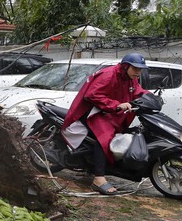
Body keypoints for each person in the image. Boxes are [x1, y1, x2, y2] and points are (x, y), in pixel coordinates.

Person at [61, 53, 150, 195]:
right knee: (105, 138)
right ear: (126, 66)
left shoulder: (131, 78)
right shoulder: (108, 75)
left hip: (108, 111)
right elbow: (93, 95)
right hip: (92, 111)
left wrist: (150, 97)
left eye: (140, 69)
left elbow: (137, 91)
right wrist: (117, 105)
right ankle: (99, 178)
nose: (138, 72)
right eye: (135, 68)